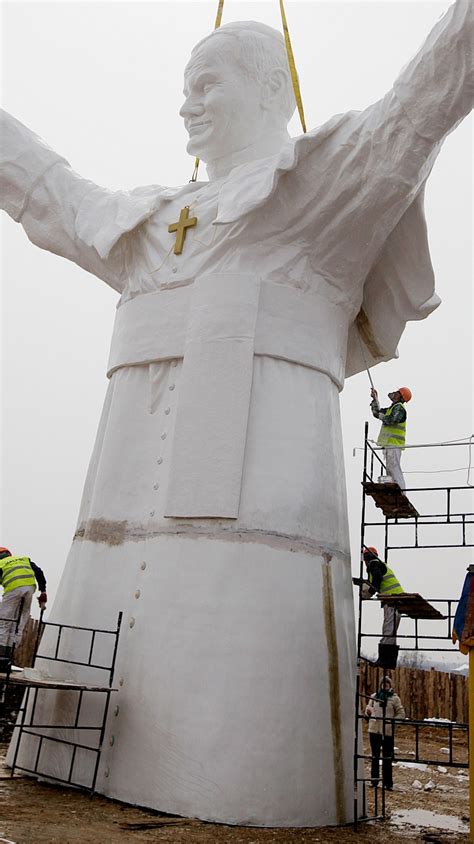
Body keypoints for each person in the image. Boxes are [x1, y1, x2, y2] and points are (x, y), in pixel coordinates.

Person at [0, 2, 472, 827]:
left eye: (206, 83)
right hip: (112, 506)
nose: (186, 103)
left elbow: (420, 105)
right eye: (182, 85)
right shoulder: (144, 225)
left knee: (230, 752)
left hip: (261, 520)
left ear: (268, 91)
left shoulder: (319, 195)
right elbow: (41, 183)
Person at [362, 546, 404, 668]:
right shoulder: (380, 565)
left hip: (392, 599)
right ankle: (389, 660)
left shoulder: (374, 564)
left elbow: (377, 578)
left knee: (389, 629)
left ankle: (385, 659)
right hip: (396, 599)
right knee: (391, 630)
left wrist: (369, 591)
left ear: (366, 558)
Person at [0, 547, 47, 653]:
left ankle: (1, 654)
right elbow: (39, 572)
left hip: (13, 589)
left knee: (4, 622)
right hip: (29, 589)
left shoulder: (1, 563)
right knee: (20, 621)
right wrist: (43, 591)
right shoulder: (24, 559)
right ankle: (11, 652)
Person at [365, 676, 406, 791]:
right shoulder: (374, 697)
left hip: (387, 732)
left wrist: (391, 722)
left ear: (390, 685)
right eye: (383, 684)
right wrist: (368, 713)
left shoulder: (394, 698)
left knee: (387, 757)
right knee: (375, 756)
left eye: (387, 684)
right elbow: (368, 710)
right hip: (374, 730)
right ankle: (374, 780)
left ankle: (388, 782)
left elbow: (401, 714)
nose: (385, 685)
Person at [370, 386, 412, 490]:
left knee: (394, 469)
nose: (395, 393)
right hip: (390, 445)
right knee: (390, 469)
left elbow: (390, 420)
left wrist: (381, 416)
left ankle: (400, 490)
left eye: (398, 392)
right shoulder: (392, 408)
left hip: (394, 444)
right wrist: (375, 399)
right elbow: (377, 413)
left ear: (401, 397)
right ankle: (394, 489)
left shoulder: (399, 408)